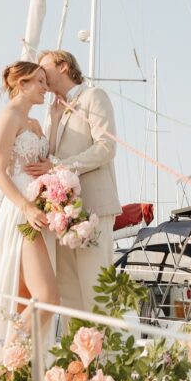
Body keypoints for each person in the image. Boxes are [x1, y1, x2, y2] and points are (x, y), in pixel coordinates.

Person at [0, 61, 59, 376]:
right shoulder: (8, 118)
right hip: (22, 213)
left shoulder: (36, 124)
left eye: (46, 82)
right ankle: (1, 367)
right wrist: (26, 206)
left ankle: (17, 379)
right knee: (47, 298)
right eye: (39, 82)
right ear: (21, 84)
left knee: (25, 301)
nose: (45, 88)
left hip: (41, 211)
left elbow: (42, 162)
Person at [33, 50, 121, 314]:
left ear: (62, 66)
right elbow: (50, 158)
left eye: (43, 67)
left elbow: (106, 147)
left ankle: (107, 355)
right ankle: (78, 354)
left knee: (97, 291)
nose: (39, 74)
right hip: (61, 214)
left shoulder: (94, 97)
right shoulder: (53, 111)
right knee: (69, 296)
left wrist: (62, 166)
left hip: (93, 207)